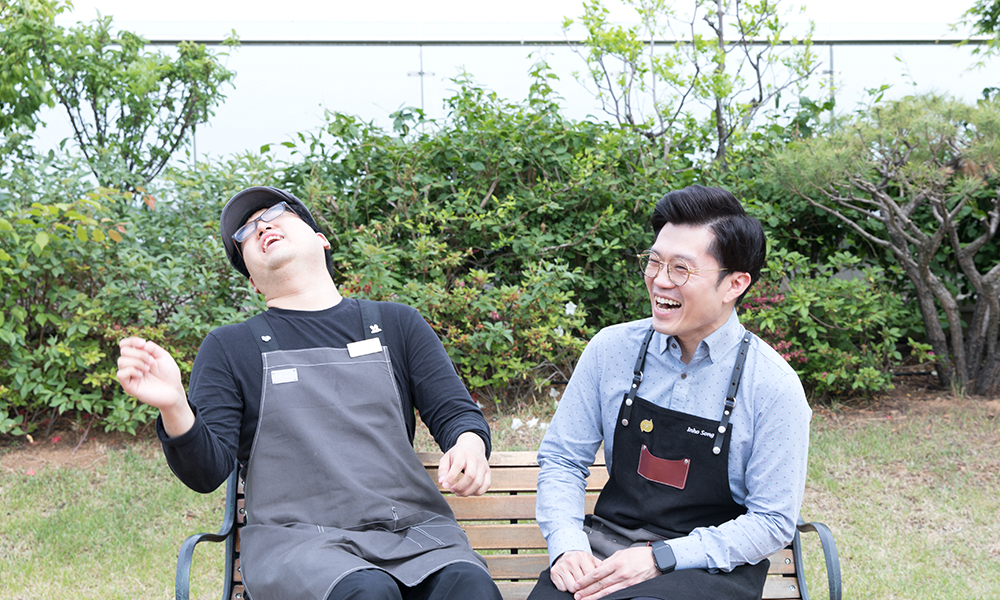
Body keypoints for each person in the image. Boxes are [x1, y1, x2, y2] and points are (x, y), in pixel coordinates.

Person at [116, 186, 502, 600]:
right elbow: (207, 472)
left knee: (470, 586)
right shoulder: (230, 348)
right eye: (245, 232)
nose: (261, 227)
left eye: (274, 213)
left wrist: (469, 444)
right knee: (366, 591)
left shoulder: (397, 324)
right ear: (253, 281)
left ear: (321, 239)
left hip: (414, 535)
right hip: (296, 547)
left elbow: (456, 413)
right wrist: (176, 405)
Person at [528, 185, 812, 600]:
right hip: (605, 553)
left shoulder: (773, 386)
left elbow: (772, 521)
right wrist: (568, 545)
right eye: (654, 262)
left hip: (707, 570)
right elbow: (562, 459)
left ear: (734, 284)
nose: (659, 281)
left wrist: (662, 556)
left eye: (681, 269)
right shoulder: (611, 350)